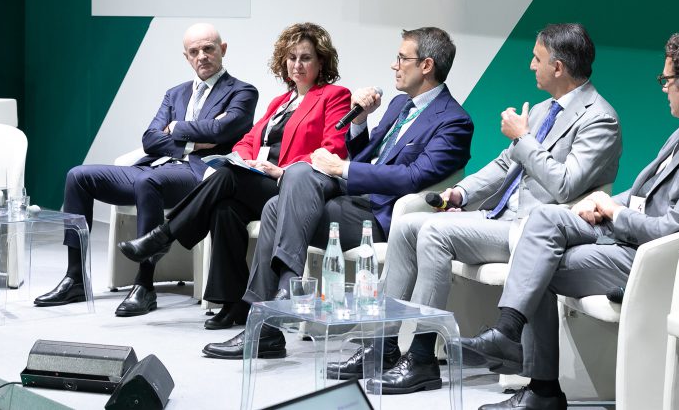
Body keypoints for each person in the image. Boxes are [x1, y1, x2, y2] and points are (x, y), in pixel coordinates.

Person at [460, 30, 679, 410]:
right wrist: (603, 202)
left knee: (538, 263)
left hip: (653, 262)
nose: (663, 88)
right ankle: (509, 335)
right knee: (544, 220)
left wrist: (615, 214)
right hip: (631, 240)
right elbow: (644, 192)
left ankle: (539, 386)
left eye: (666, 80)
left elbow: (673, 230)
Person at [336, 23, 623, 394]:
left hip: (534, 229)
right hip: (500, 216)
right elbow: (505, 164)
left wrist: (524, 139)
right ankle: (383, 343)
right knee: (408, 226)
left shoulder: (600, 118)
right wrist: (459, 193)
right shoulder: (541, 110)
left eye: (536, 59)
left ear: (558, 67)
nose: (530, 66)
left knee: (434, 232)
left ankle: (422, 357)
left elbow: (566, 184)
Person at [202, 27, 475, 360]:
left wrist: (341, 169)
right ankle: (271, 317)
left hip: (381, 217)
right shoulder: (399, 105)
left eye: (402, 58)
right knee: (278, 200)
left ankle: (271, 317)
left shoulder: (454, 121)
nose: (394, 65)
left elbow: (412, 177)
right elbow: (366, 158)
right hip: (353, 202)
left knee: (285, 193)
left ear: (426, 65)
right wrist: (359, 122)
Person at [118, 22, 352, 326]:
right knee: (224, 208)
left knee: (226, 177)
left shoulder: (334, 96)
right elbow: (248, 140)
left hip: (293, 186)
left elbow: (332, 150)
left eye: (305, 58)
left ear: (321, 61)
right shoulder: (281, 102)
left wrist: (282, 170)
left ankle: (164, 235)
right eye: (291, 57)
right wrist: (244, 159)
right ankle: (233, 303)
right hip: (261, 179)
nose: (297, 65)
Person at [33, 23, 258, 315]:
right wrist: (193, 140)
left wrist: (175, 127)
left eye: (208, 48)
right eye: (194, 52)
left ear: (222, 49)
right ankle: (75, 278)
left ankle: (144, 285)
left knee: (148, 182)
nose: (201, 56)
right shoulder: (175, 94)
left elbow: (222, 130)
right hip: (155, 166)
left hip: (197, 175)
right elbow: (150, 138)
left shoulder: (242, 91)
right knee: (78, 176)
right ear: (186, 57)